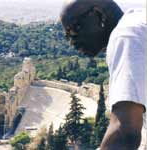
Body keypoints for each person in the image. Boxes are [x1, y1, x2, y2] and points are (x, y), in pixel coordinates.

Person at [60, 0, 146, 149]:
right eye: (67, 36)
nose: (71, 42)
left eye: (73, 31)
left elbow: (124, 131)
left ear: (99, 15)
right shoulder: (139, 24)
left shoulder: (126, 36)